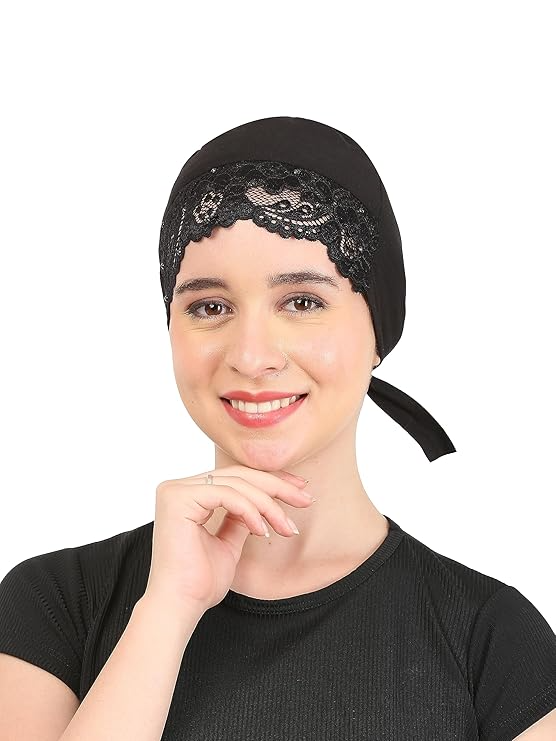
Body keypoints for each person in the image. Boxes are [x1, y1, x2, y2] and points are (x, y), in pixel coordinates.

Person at [0, 116, 555, 741]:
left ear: (379, 331)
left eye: (302, 302)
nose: (252, 356)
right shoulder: (52, 605)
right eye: (210, 306)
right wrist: (167, 609)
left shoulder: (493, 641)